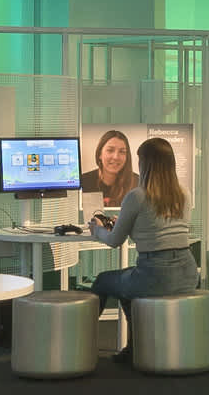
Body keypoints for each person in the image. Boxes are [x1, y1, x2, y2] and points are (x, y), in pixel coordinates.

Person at [85, 134, 199, 351]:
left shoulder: (137, 196)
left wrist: (97, 229)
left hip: (155, 275)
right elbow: (163, 234)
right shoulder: (184, 193)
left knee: (103, 281)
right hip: (188, 273)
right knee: (126, 290)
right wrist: (132, 226)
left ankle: (83, 343)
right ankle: (134, 348)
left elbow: (114, 241)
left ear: (145, 164)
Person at [87, 128, 137, 207]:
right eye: (110, 150)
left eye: (122, 152)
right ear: (100, 154)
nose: (116, 157)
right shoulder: (85, 181)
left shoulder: (138, 183)